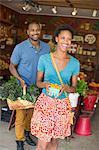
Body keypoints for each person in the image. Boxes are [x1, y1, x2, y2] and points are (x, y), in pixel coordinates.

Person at [31, 24, 80, 150]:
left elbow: (74, 87)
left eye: (69, 39)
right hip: (45, 104)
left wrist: (66, 87)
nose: (66, 42)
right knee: (42, 143)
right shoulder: (45, 59)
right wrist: (45, 84)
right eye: (63, 38)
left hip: (62, 105)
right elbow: (38, 82)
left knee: (54, 140)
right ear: (57, 39)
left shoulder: (75, 63)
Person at [9, 21, 50, 150]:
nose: (35, 32)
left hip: (37, 87)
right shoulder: (20, 47)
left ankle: (27, 133)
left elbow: (47, 66)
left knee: (32, 114)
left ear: (40, 31)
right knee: (20, 115)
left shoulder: (46, 48)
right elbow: (11, 66)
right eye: (32, 30)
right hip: (23, 87)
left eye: (37, 30)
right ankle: (19, 140)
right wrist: (19, 79)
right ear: (28, 32)